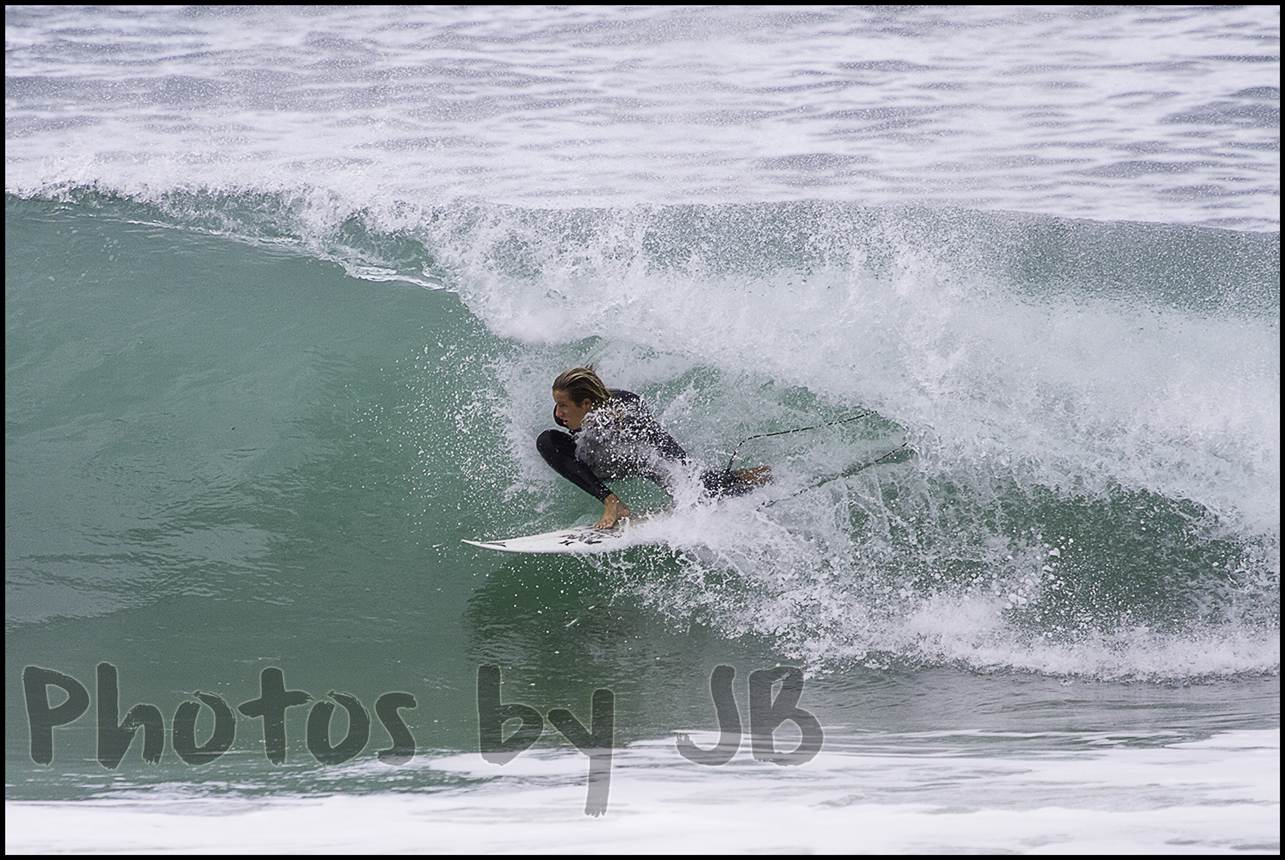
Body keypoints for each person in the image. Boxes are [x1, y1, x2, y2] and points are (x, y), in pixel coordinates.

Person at [536, 367, 771, 529]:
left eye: (563, 405)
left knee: (698, 489)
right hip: (597, 462)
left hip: (639, 460)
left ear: (586, 403)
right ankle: (611, 501)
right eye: (557, 405)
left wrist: (688, 476)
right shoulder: (565, 416)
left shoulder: (624, 409)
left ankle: (750, 477)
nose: (558, 413)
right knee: (546, 440)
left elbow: (658, 439)